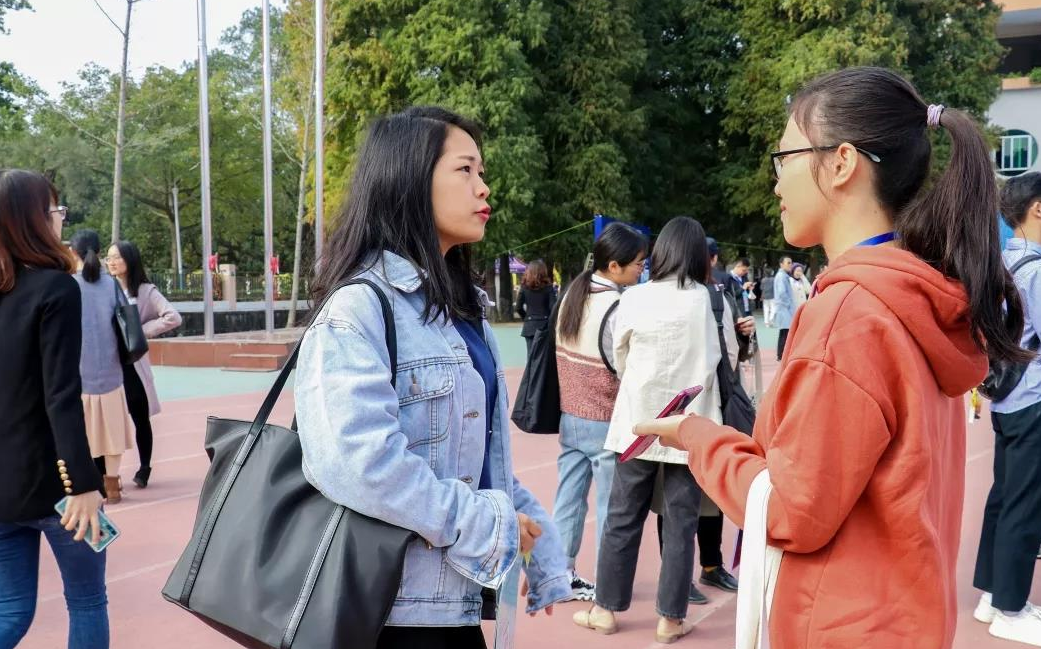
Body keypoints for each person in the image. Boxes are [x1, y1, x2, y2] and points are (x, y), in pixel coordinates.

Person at [634, 66, 1029, 649]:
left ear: (841, 162)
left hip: (845, 626)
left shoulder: (851, 313)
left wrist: (697, 437)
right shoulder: (914, 297)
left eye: (784, 157)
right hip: (906, 616)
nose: (775, 184)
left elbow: (794, 511)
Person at [294, 107, 569, 648]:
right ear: (411, 179)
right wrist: (491, 525)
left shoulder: (463, 314)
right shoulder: (360, 308)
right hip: (387, 614)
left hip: (452, 609)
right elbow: (359, 463)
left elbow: (480, 462)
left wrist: (542, 546)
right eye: (465, 170)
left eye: (481, 171)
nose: (484, 187)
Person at [572, 216, 730, 644]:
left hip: (637, 424)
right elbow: (726, 357)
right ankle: (670, 619)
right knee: (681, 523)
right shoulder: (711, 300)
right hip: (689, 428)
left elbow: (618, 355)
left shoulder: (635, 299)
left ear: (660, 253)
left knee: (622, 520)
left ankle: (605, 609)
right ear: (699, 255)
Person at [0, 169, 109, 649]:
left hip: (2, 490)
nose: (60, 220)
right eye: (54, 210)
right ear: (34, 220)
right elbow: (61, 396)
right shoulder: (56, 289)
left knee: (10, 612)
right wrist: (84, 484)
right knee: (86, 601)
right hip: (57, 486)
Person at [553, 222, 648, 601]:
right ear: (614, 267)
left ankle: (560, 575)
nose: (642, 270)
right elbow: (623, 364)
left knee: (568, 499)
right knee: (612, 507)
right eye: (638, 264)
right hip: (604, 419)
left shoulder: (572, 295)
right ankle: (609, 583)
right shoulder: (618, 305)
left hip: (569, 416)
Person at [973, 171, 1041, 646]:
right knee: (1025, 503)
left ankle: (993, 593)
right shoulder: (1037, 270)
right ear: (1038, 210)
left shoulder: (1001, 264)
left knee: (1003, 497)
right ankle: (1010, 609)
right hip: (1035, 397)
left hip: (1006, 398)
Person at [105, 241, 183, 488]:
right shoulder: (104, 288)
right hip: (108, 364)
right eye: (108, 258)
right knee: (108, 419)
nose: (111, 262)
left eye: (117, 257)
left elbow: (173, 317)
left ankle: (144, 467)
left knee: (140, 417)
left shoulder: (146, 291)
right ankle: (108, 474)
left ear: (129, 259)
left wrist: (141, 331)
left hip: (133, 364)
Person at [69, 230, 136, 505]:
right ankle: (113, 484)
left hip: (78, 370)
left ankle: (88, 483)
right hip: (110, 369)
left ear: (73, 253)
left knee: (81, 432)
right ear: (98, 251)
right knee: (113, 431)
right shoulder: (111, 285)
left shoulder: (68, 284)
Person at [515, 259, 556, 354]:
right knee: (544, 359)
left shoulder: (524, 287)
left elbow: (518, 307)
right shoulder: (548, 288)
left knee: (531, 358)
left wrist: (526, 318)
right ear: (543, 271)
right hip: (545, 327)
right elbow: (553, 308)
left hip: (529, 327)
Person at [771, 256, 795, 360]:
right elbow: (782, 293)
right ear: (781, 264)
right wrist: (789, 304)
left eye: (791, 263)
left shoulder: (783, 275)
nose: (790, 265)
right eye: (788, 263)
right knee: (785, 332)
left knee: (784, 332)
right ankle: (781, 355)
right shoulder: (781, 276)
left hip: (784, 308)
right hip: (784, 309)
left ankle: (781, 355)